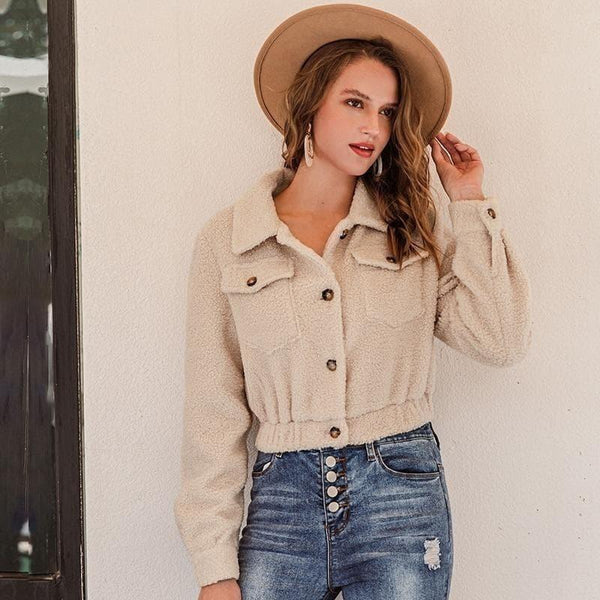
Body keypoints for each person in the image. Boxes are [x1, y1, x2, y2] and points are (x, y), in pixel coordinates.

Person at [173, 4, 532, 600]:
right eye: (355, 102)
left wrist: (468, 202)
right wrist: (214, 567)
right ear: (309, 107)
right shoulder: (230, 240)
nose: (373, 127)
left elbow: (501, 339)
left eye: (387, 111)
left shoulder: (412, 230)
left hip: (400, 496)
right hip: (281, 503)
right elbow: (214, 410)